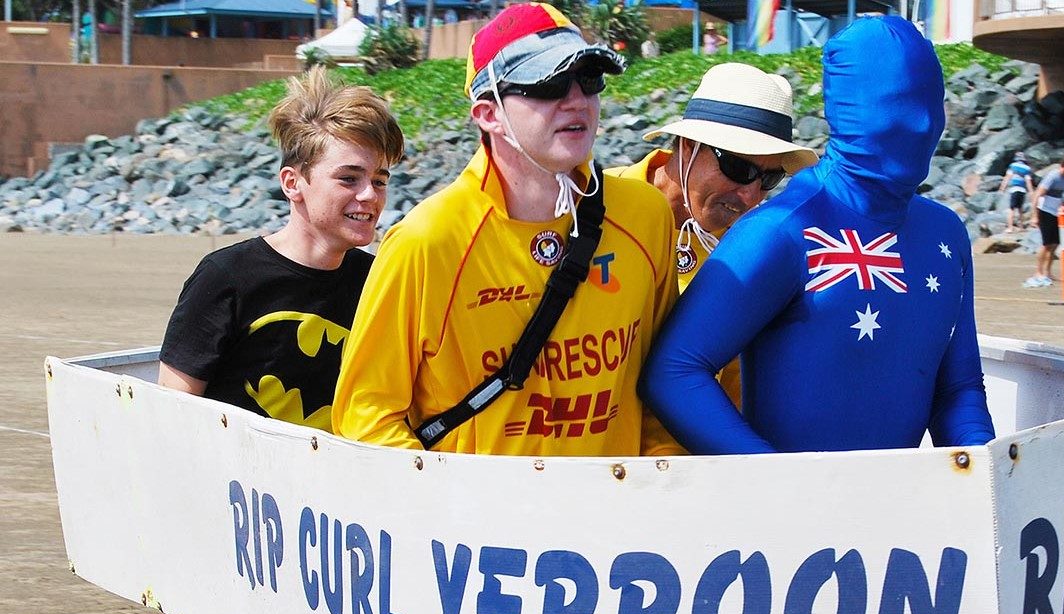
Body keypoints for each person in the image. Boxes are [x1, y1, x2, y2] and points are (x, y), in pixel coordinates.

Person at [332, 3, 681, 457]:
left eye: (589, 79)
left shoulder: (645, 215)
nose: (576, 99)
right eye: (550, 84)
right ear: (488, 114)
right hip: (478, 523)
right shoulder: (428, 240)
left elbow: (661, 384)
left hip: (611, 516)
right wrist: (446, 509)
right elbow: (365, 415)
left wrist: (660, 481)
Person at [639, 16, 995, 455]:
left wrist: (979, 471)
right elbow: (674, 370)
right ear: (850, 109)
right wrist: (775, 480)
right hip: (789, 514)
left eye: (931, 103)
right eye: (898, 105)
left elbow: (958, 386)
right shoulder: (779, 230)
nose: (921, 124)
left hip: (897, 506)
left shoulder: (946, 234)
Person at [156, 67, 404, 614]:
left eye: (380, 180)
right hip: (235, 538)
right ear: (294, 182)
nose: (369, 196)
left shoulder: (381, 283)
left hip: (340, 539)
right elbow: (174, 413)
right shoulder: (227, 278)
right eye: (349, 178)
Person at [608, 62, 817, 407]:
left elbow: (738, 379)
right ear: (687, 145)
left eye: (768, 179)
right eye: (738, 168)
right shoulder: (592, 206)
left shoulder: (752, 248)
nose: (751, 195)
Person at [1024, 155, 1064, 288]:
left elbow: (1060, 196)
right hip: (1045, 211)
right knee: (1046, 243)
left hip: (1056, 213)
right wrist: (1034, 216)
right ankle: (1038, 271)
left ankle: (1048, 272)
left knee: (1055, 244)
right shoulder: (1053, 176)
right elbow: (1038, 194)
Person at [1001, 151, 1034, 233]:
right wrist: (1031, 192)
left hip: (1014, 189)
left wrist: (1002, 188)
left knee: (1011, 209)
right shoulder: (1027, 168)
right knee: (1020, 209)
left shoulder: (1013, 166)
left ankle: (1010, 227)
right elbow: (1028, 181)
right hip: (1022, 190)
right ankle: (1021, 227)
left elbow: (1007, 177)